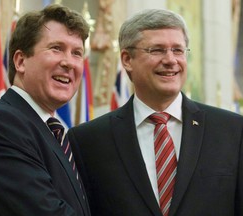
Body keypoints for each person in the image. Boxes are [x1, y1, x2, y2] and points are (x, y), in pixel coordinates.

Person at [67, 8, 243, 216]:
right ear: (127, 59)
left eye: (178, 50)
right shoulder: (87, 140)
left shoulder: (232, 130)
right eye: (157, 50)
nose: (170, 60)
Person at [0, 4, 91, 216]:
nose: (69, 63)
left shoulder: (58, 134)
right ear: (20, 61)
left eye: (77, 53)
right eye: (56, 48)